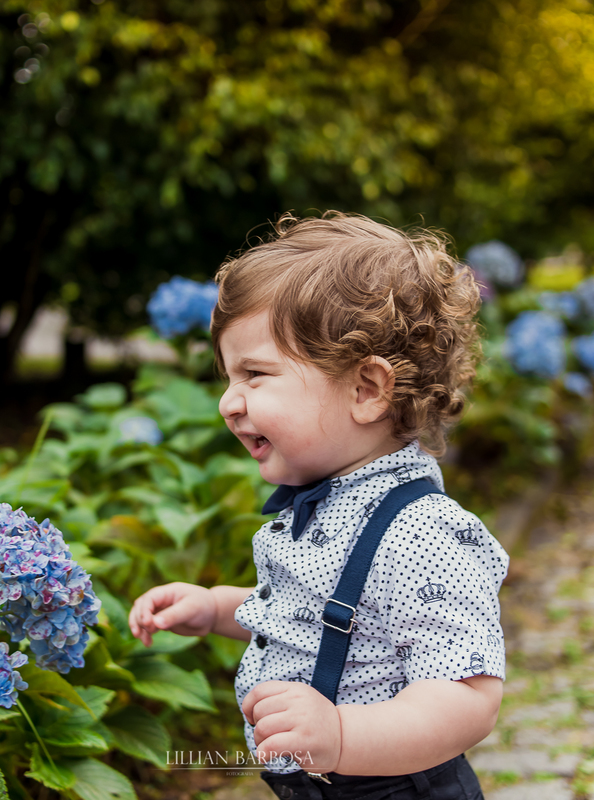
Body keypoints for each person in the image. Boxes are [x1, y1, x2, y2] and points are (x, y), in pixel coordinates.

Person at [128, 212, 508, 800]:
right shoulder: (326, 503)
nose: (229, 402)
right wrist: (215, 609)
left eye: (255, 374)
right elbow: (315, 619)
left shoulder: (424, 536)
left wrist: (340, 732)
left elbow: (468, 699)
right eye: (228, 377)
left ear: (367, 390)